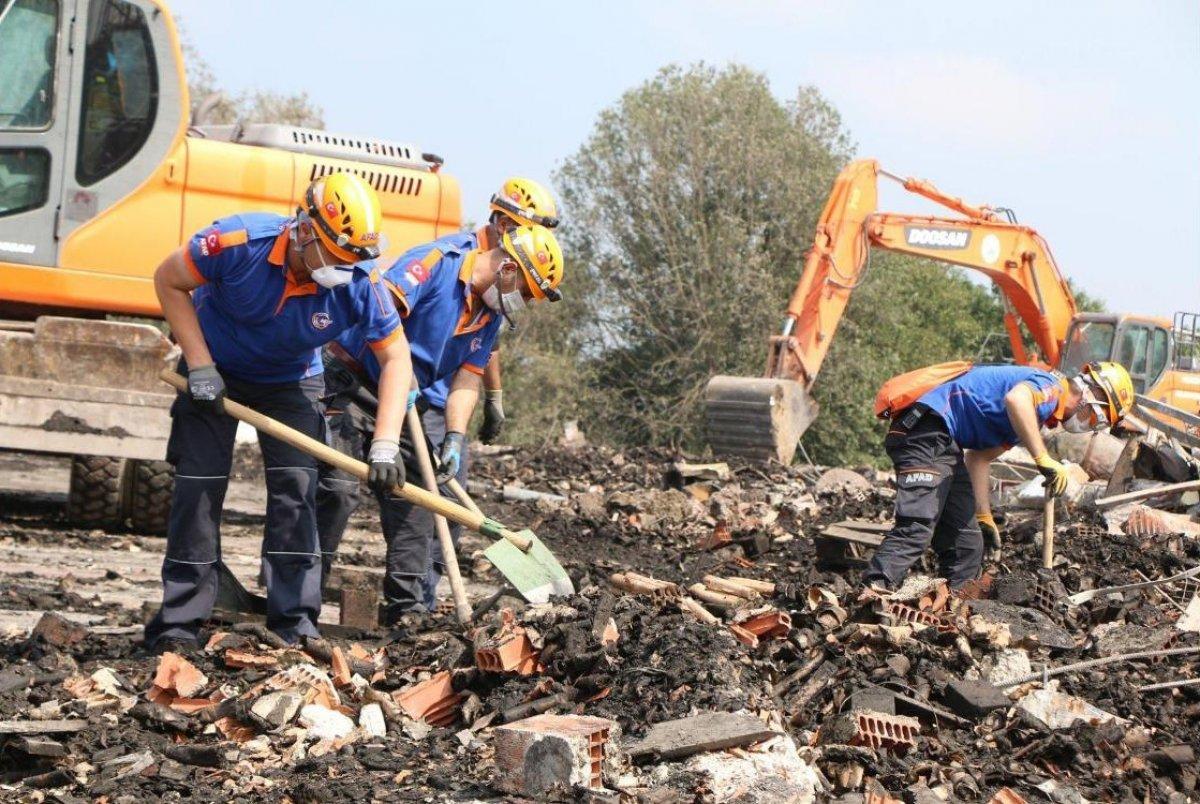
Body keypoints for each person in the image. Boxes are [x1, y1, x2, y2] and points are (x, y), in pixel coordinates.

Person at [144, 173, 414, 651]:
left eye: (354, 261)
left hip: (291, 381)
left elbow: (395, 358)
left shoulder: (360, 283)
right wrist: (201, 364)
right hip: (214, 369)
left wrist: (386, 443)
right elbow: (168, 280)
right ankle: (179, 625)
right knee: (199, 490)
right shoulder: (236, 242)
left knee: (297, 492)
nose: (345, 270)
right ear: (306, 230)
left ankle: (293, 623)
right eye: (338, 257)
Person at [317, 224, 564, 624]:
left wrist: (453, 436)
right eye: (525, 293)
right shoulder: (435, 263)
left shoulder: (489, 316)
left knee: (419, 500)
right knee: (336, 490)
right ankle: (300, 603)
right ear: (507, 270)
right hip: (352, 380)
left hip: (404, 401)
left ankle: (408, 611)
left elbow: (468, 376)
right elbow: (380, 312)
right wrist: (397, 366)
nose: (522, 303)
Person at [863, 361, 1134, 592]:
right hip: (925, 430)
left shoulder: (1032, 419)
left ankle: (955, 607)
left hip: (945, 445)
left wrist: (983, 516)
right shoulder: (1050, 386)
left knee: (967, 543)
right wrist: (1042, 458)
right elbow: (1016, 399)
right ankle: (873, 592)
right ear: (1091, 393)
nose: (1088, 425)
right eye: (1097, 418)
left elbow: (979, 458)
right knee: (917, 525)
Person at [470, 177, 561, 445]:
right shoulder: (467, 259)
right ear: (504, 225)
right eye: (530, 232)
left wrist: (493, 397)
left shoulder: (509, 273)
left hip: (449, 401)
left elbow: (489, 339)